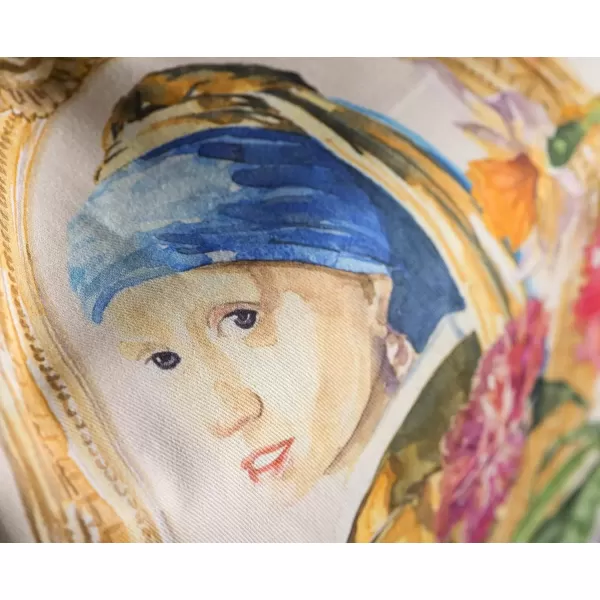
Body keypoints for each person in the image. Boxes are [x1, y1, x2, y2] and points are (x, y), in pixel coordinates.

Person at [67, 63, 473, 538]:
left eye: (242, 319)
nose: (225, 415)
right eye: (165, 358)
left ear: (370, 291)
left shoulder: (486, 420)